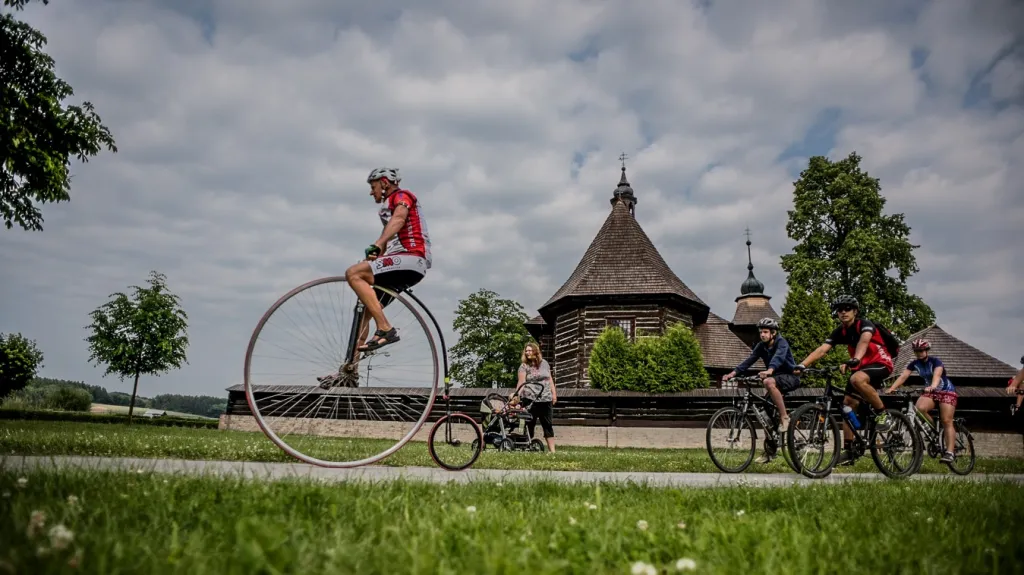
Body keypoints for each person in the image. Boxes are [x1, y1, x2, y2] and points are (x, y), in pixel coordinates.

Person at [318, 167, 432, 388]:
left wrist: (378, 244)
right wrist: (378, 251)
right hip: (400, 259)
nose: (372, 192)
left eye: (373, 187)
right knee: (362, 313)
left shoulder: (401, 196)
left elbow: (399, 219)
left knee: (353, 273)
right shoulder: (385, 211)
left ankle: (386, 329)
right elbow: (390, 235)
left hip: (412, 257)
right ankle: (350, 371)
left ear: (384, 183)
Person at [795, 295, 894, 463]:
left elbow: (864, 341)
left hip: (880, 363)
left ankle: (883, 414)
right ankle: (850, 450)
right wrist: (802, 365)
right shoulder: (840, 331)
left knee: (856, 379)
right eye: (839, 310)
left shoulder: (865, 325)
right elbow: (822, 349)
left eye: (847, 308)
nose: (843, 312)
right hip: (861, 369)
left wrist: (855, 359)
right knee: (847, 405)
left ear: (855, 311)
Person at [721, 317, 802, 442]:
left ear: (773, 333)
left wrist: (770, 370)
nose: (762, 335)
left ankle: (785, 417)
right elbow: (750, 360)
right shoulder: (761, 346)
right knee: (764, 413)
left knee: (768, 381)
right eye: (760, 332)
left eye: (765, 332)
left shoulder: (781, 343)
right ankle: (770, 448)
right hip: (775, 379)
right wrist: (733, 373)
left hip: (790, 377)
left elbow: (778, 358)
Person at [886, 339, 957, 463]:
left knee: (947, 420)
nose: (919, 353)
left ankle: (950, 452)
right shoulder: (914, 363)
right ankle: (933, 430)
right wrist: (892, 388)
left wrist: (933, 386)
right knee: (919, 408)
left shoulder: (935, 361)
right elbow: (904, 376)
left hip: (946, 391)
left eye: (921, 350)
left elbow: (937, 376)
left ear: (926, 350)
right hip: (930, 391)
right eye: (916, 351)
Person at [513, 342, 557, 453]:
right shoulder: (524, 366)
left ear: (535, 351)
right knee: (529, 424)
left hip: (546, 398)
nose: (527, 352)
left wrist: (554, 394)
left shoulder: (545, 363)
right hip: (530, 399)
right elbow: (521, 382)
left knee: (547, 424)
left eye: (529, 350)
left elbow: (550, 379)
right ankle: (527, 446)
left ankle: (552, 452)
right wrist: (517, 395)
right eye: (526, 351)